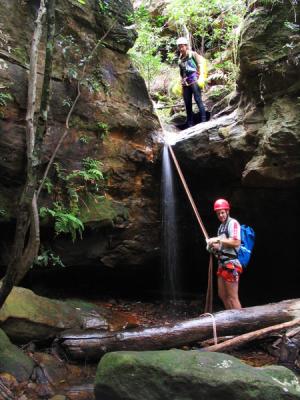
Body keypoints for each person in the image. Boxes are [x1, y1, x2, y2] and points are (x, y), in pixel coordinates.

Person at [206, 198, 242, 310]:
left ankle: (241, 322)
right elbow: (221, 247)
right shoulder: (221, 227)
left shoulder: (233, 223)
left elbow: (236, 242)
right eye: (218, 213)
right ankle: (231, 320)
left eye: (222, 212)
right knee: (223, 295)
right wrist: (212, 247)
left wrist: (217, 239)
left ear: (227, 211)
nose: (220, 215)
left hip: (231, 264)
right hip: (222, 264)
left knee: (232, 297)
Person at [177, 37, 206, 128]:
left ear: (186, 46)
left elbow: (200, 65)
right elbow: (182, 72)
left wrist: (201, 76)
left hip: (195, 79)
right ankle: (189, 122)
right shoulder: (180, 60)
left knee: (198, 99)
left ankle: (203, 119)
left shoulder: (193, 54)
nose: (181, 48)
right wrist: (182, 81)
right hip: (186, 82)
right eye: (179, 47)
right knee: (187, 102)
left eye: (182, 46)